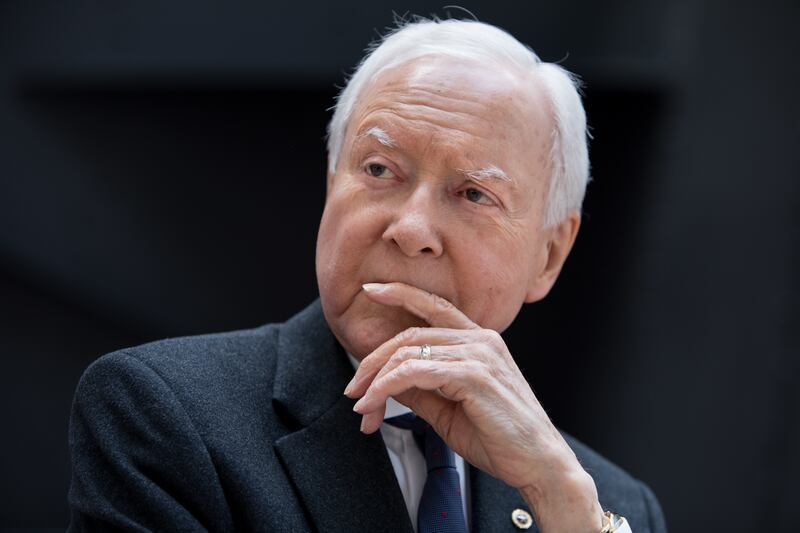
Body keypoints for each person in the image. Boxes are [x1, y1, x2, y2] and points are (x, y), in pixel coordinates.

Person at [67, 17, 667, 533]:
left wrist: (563, 503)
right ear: (332, 183)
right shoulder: (164, 416)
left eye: (473, 193)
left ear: (549, 256)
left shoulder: (605, 504)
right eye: (380, 168)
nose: (411, 228)